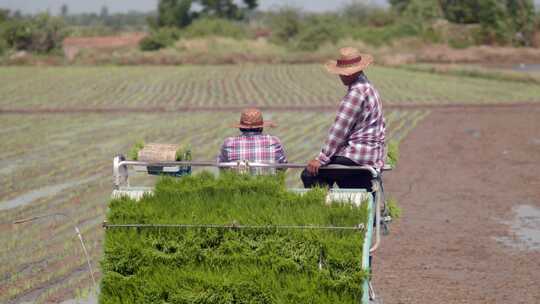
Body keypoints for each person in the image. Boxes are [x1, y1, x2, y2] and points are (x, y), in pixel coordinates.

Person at [302, 47, 386, 189]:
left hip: (358, 155)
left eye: (342, 73)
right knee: (351, 187)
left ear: (352, 73)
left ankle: (324, 209)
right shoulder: (368, 87)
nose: (340, 76)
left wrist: (321, 159)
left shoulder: (356, 93)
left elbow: (339, 131)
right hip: (373, 154)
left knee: (310, 175)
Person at [218, 108, 288, 173]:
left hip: (238, 185)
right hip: (269, 185)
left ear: (241, 127)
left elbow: (222, 167)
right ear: (261, 127)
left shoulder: (229, 143)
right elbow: (283, 166)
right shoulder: (274, 142)